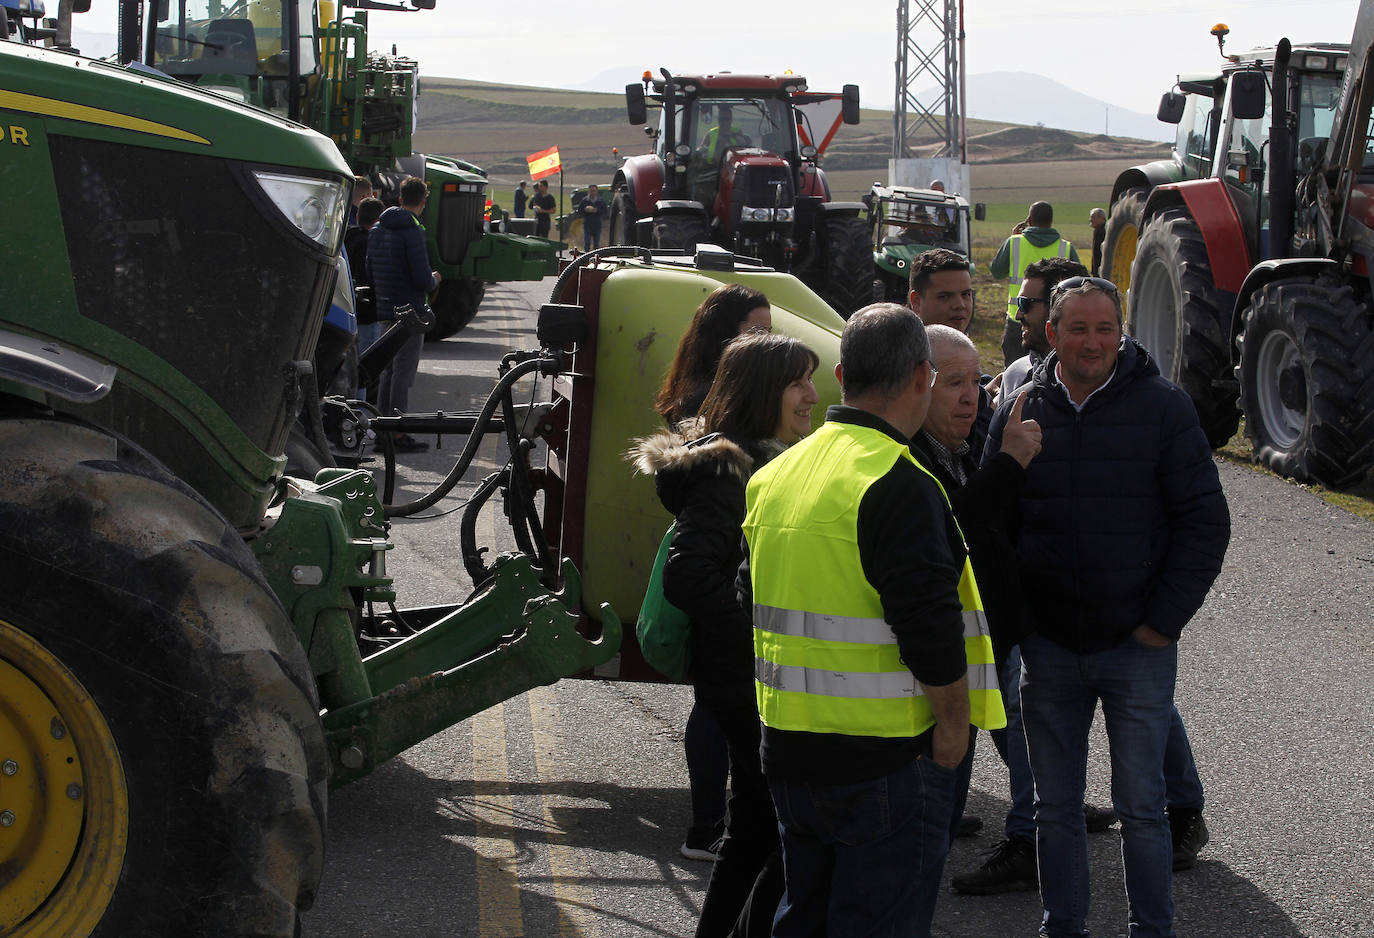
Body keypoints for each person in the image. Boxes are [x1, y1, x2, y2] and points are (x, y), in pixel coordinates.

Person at [743, 303, 1004, 938]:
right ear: (924, 377)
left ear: (840, 373)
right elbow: (930, 629)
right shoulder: (897, 481)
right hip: (885, 761)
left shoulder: (776, 474)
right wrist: (952, 728)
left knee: (804, 915)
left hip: (790, 747)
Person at [983, 276, 1230, 938]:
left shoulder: (1162, 407)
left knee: (1144, 808)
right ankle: (1062, 927)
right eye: (1078, 329)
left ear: (1121, 331)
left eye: (1104, 328)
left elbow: (1204, 523)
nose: (1092, 342)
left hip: (1136, 648)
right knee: (1053, 808)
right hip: (1050, 648)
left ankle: (1153, 930)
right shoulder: (1020, 406)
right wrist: (1018, 626)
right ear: (1051, 332)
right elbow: (991, 519)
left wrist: (1162, 621)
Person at [631, 331, 820, 938]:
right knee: (780, 833)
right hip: (745, 679)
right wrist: (756, 638)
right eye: (798, 383)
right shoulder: (730, 472)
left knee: (758, 831)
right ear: (765, 392)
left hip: (745, 676)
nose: (812, 396)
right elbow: (691, 574)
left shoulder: (764, 457)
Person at [909, 324, 1042, 853]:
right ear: (919, 384)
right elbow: (953, 533)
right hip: (936, 679)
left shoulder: (957, 450)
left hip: (977, 658)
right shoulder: (911, 460)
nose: (972, 398)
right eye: (954, 384)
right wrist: (1007, 465)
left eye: (977, 382)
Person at [652, 282, 772, 863]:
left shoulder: (701, 396)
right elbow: (699, 490)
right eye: (755, 332)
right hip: (719, 563)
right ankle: (707, 826)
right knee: (719, 701)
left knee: (715, 700)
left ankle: (711, 823)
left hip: (715, 556)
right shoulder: (714, 408)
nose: (764, 341)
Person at [367, 175, 439, 453]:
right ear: (423, 202)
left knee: (387, 370)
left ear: (399, 198)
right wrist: (435, 280)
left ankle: (383, 427)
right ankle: (398, 432)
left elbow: (370, 270)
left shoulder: (376, 230)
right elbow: (422, 279)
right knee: (404, 373)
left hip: (386, 308)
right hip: (411, 311)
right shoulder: (413, 231)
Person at [656, 284, 773, 427]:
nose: (768, 342)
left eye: (769, 332)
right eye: (758, 332)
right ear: (725, 333)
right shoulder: (704, 400)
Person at [989, 201, 1081, 367]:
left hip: (1019, 319)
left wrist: (1013, 237)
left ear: (1029, 220)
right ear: (1051, 221)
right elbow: (1078, 284)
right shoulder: (1066, 248)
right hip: (1056, 322)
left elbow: (996, 271)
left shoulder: (1014, 242)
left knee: (1016, 374)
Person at [998, 257, 1088, 405]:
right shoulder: (1016, 376)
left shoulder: (1110, 378)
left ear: (1057, 308)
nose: (1018, 315)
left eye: (1025, 304)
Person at [907, 247, 974, 335]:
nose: (960, 305)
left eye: (966, 294)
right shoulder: (898, 347)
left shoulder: (965, 348)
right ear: (917, 302)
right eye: (944, 297)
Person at [578, 184, 608, 251]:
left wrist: (596, 210)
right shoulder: (585, 200)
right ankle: (586, 256)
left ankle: (595, 257)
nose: (592, 192)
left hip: (597, 224)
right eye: (591, 191)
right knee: (587, 242)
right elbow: (579, 211)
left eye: (594, 191)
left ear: (597, 191)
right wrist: (585, 210)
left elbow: (605, 211)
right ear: (589, 191)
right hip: (587, 224)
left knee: (596, 243)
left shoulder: (601, 201)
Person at [1089, 207, 1107, 276]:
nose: (1090, 220)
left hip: (1102, 272)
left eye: (1093, 217)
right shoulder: (1097, 231)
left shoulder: (1104, 232)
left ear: (1102, 218)